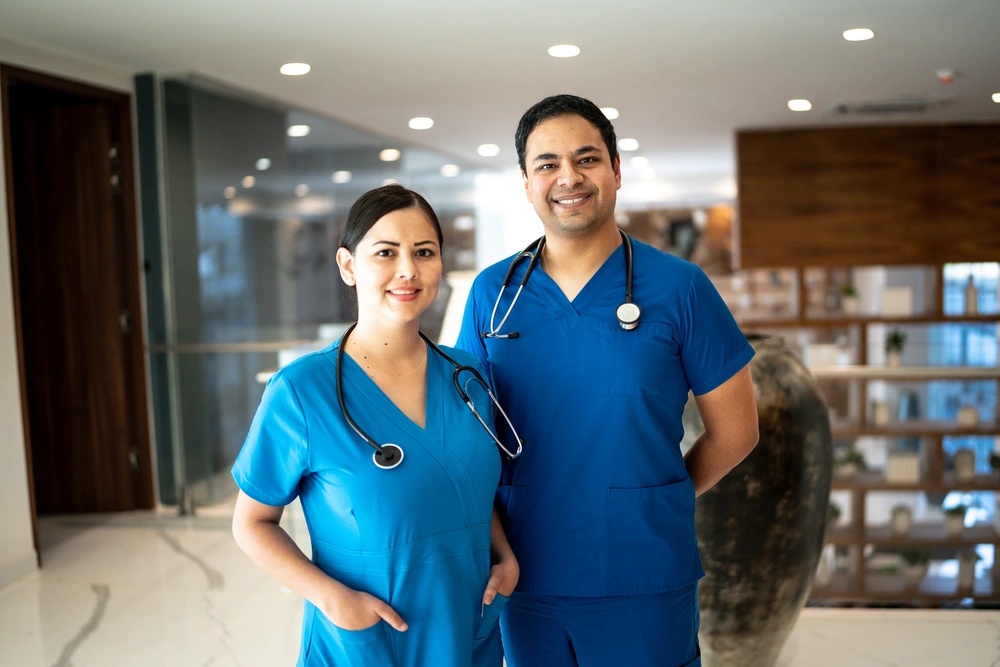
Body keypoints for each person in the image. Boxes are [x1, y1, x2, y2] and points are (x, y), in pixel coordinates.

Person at [456, 95, 759, 667]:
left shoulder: (681, 288)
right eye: (546, 164)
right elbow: (469, 435)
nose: (568, 177)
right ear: (525, 183)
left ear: (616, 170)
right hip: (524, 572)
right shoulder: (492, 294)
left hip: (641, 571)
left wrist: (654, 500)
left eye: (586, 158)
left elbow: (737, 431)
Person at [232, 184, 519, 667]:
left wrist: (503, 554)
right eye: (385, 252)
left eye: (423, 252)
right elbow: (252, 524)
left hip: (467, 627)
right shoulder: (302, 391)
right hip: (366, 639)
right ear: (348, 266)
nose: (407, 269)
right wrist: (331, 599)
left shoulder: (468, 377)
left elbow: (465, 485)